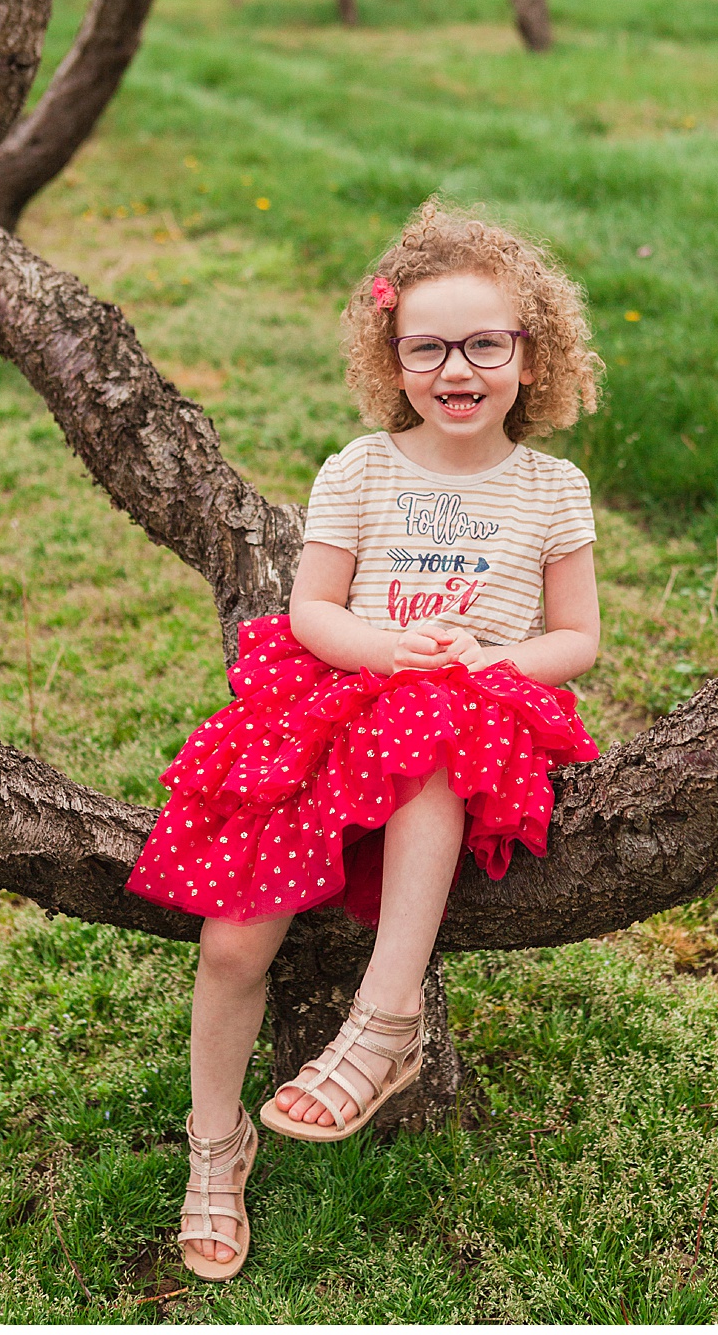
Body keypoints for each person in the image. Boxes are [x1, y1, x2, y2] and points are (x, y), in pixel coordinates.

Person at [125, 199, 604, 1279]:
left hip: (475, 715)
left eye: (487, 344)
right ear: (394, 356)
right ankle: (216, 1143)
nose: (458, 369)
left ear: (532, 353)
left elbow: (576, 638)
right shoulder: (362, 468)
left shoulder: (550, 489)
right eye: (428, 347)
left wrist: (484, 662)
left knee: (440, 720)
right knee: (234, 943)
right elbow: (312, 616)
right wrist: (393, 651)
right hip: (346, 698)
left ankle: (385, 1018)